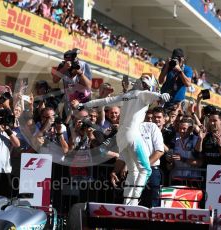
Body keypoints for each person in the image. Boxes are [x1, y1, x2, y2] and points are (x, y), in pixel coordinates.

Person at [72, 74, 170, 206]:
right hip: (132, 134)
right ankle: (134, 201)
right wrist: (161, 96)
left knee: (133, 170)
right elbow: (154, 95)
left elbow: (104, 102)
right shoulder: (143, 94)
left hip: (121, 137)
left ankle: (127, 202)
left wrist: (82, 105)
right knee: (146, 170)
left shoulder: (126, 95)